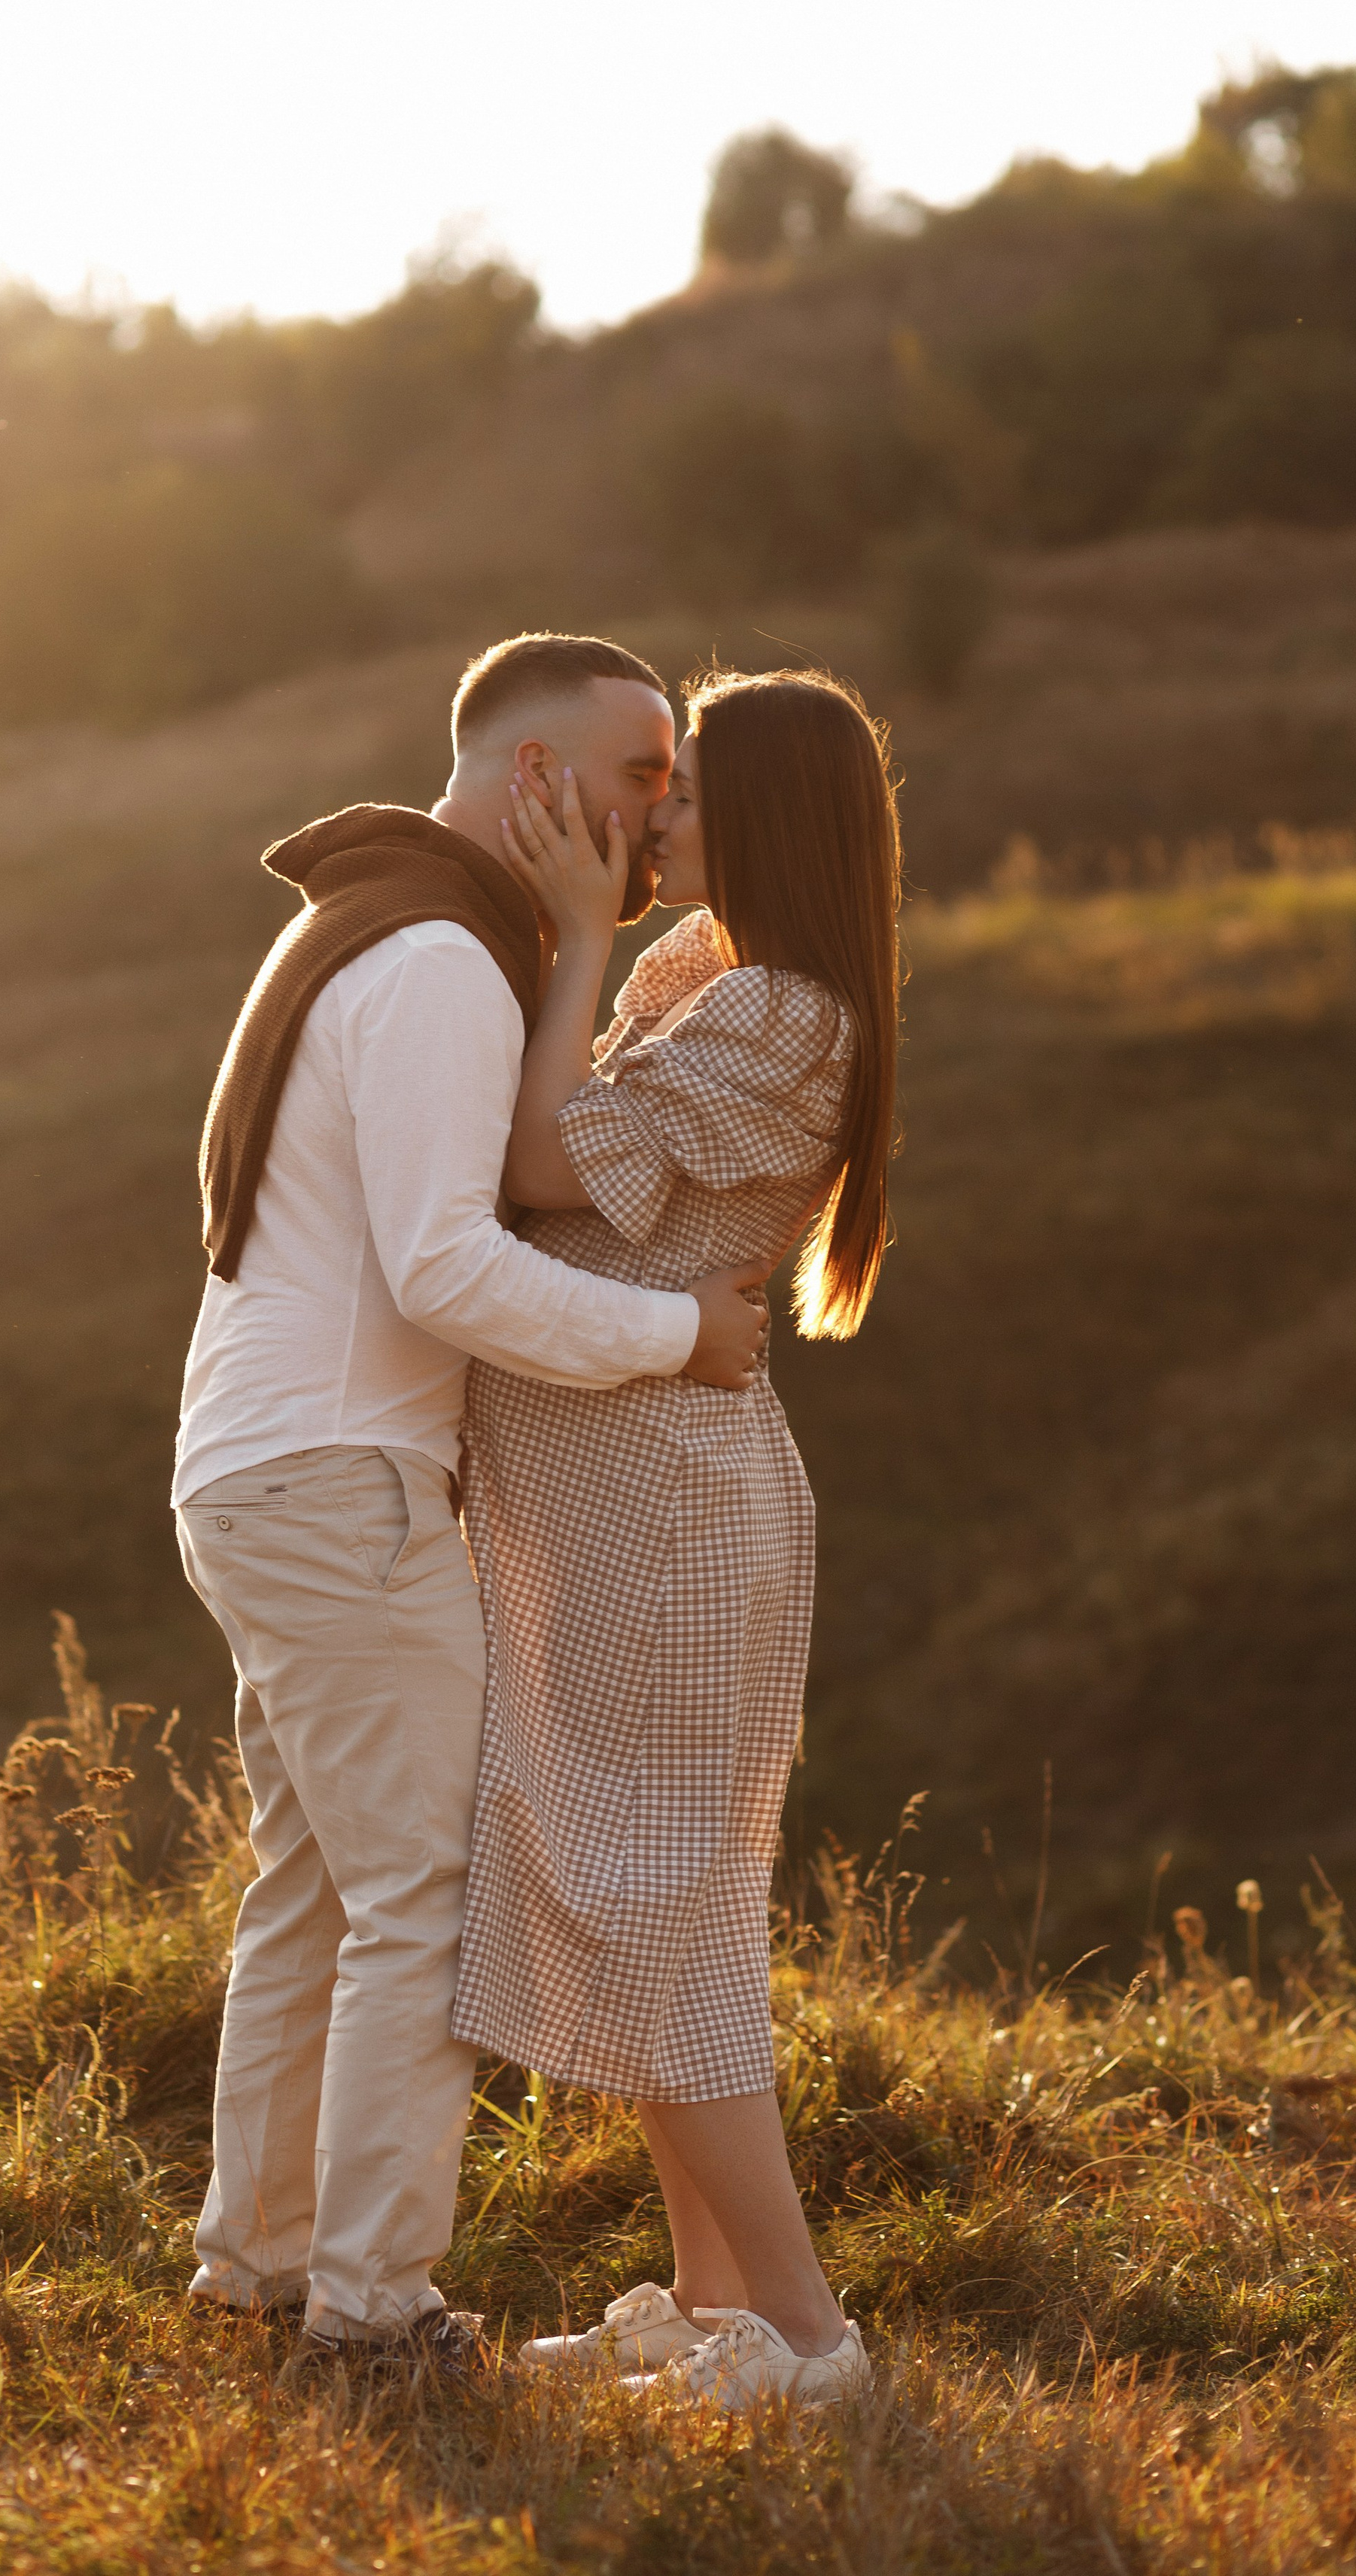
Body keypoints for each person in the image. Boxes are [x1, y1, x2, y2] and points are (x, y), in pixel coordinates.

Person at [171, 632, 771, 2370]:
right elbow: (443, 1261)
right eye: (638, 771)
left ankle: (258, 2270)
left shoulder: (363, 920)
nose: (657, 811)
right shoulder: (435, 959)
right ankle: (370, 2316)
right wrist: (677, 1337)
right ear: (533, 779)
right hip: (339, 1485)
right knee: (427, 1904)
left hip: (259, 1467)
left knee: (312, 1891)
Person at [453, 665, 901, 2412]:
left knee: (654, 1908)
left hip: (660, 1513)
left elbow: (540, 1158)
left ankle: (801, 2340)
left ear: (771, 818)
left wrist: (568, 935)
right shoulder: (704, 977)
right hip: (608, 1505)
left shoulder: (785, 1014)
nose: (657, 819)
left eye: (689, 794)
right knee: (651, 1900)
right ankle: (716, 2314)